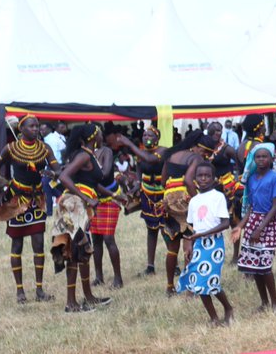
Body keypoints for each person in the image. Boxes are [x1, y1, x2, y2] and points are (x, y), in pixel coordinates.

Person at [0, 115, 59, 301]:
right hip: (16, 200)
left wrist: (52, 173)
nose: (36, 129)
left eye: (37, 126)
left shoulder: (44, 149)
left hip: (37, 200)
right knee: (17, 244)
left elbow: (59, 169)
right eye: (31, 126)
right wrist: (0, 189)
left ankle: (39, 290)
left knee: (38, 244)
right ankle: (20, 291)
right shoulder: (11, 149)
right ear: (21, 129)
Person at [58, 124, 120, 313]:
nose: (102, 135)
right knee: (74, 253)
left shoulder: (89, 154)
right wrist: (86, 198)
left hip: (81, 206)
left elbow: (91, 183)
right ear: (94, 136)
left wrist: (115, 196)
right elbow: (64, 176)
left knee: (84, 252)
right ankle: (71, 303)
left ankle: (89, 296)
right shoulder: (83, 155)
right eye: (100, 133)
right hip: (74, 205)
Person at [178, 163, 234, 326]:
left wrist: (204, 234)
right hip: (199, 244)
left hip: (214, 244)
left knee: (211, 281)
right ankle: (214, 318)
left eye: (207, 176)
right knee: (199, 283)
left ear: (214, 179)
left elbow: (225, 223)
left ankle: (228, 308)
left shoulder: (218, 197)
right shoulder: (194, 201)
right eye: (200, 175)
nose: (203, 179)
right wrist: (188, 245)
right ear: (195, 179)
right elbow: (190, 227)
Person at [160, 129, 214, 296]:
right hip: (185, 200)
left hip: (167, 200)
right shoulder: (195, 158)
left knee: (172, 247)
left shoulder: (172, 154)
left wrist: (171, 196)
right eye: (205, 152)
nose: (204, 156)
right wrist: (199, 200)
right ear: (197, 147)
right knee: (190, 242)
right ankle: (190, 288)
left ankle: (170, 287)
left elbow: (163, 181)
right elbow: (188, 180)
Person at [236, 144, 276, 312]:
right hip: (254, 219)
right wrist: (241, 225)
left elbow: (275, 206)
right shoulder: (251, 178)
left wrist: (260, 229)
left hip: (269, 222)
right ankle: (264, 302)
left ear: (271, 159)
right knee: (254, 265)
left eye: (265, 156)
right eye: (258, 157)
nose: (261, 159)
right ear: (253, 159)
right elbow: (251, 205)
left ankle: (275, 303)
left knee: (265, 265)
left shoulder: (275, 178)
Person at [119, 128, 167, 276]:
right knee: (150, 229)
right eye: (145, 135)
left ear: (157, 138)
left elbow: (152, 160)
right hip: (147, 194)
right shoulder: (142, 153)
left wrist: (129, 144)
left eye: (150, 135)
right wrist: (137, 183)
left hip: (162, 195)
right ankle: (150, 266)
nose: (147, 137)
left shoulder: (163, 151)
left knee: (166, 229)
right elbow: (140, 167)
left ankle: (174, 262)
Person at [88, 127, 124, 289]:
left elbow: (106, 173)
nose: (101, 136)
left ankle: (118, 278)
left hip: (109, 197)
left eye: (101, 133)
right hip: (94, 199)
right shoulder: (86, 153)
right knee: (96, 238)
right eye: (99, 134)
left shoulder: (106, 151)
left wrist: (87, 173)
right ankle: (99, 276)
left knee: (108, 238)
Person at [42, 121, 67, 214]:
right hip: (58, 165)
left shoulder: (50, 139)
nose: (42, 131)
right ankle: (60, 196)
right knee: (48, 185)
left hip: (52, 166)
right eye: (41, 130)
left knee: (46, 185)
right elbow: (64, 151)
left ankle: (49, 212)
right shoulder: (56, 138)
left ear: (49, 129)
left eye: (43, 129)